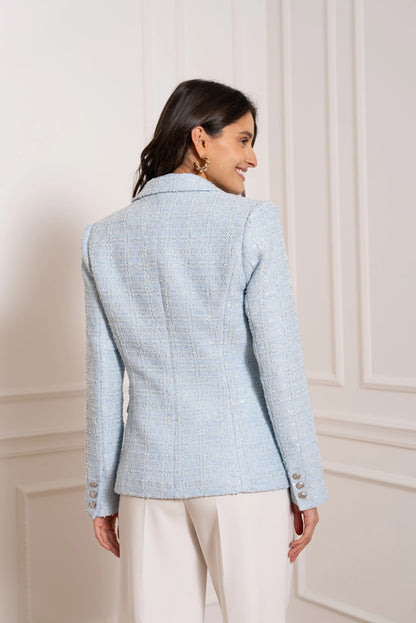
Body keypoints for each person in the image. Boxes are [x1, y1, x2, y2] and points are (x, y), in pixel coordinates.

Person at [81, 78, 329, 623]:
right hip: (242, 475)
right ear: (200, 139)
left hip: (147, 481)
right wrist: (305, 484)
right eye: (242, 140)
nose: (252, 158)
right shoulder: (250, 222)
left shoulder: (102, 238)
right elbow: (280, 368)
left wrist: (103, 495)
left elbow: (102, 383)